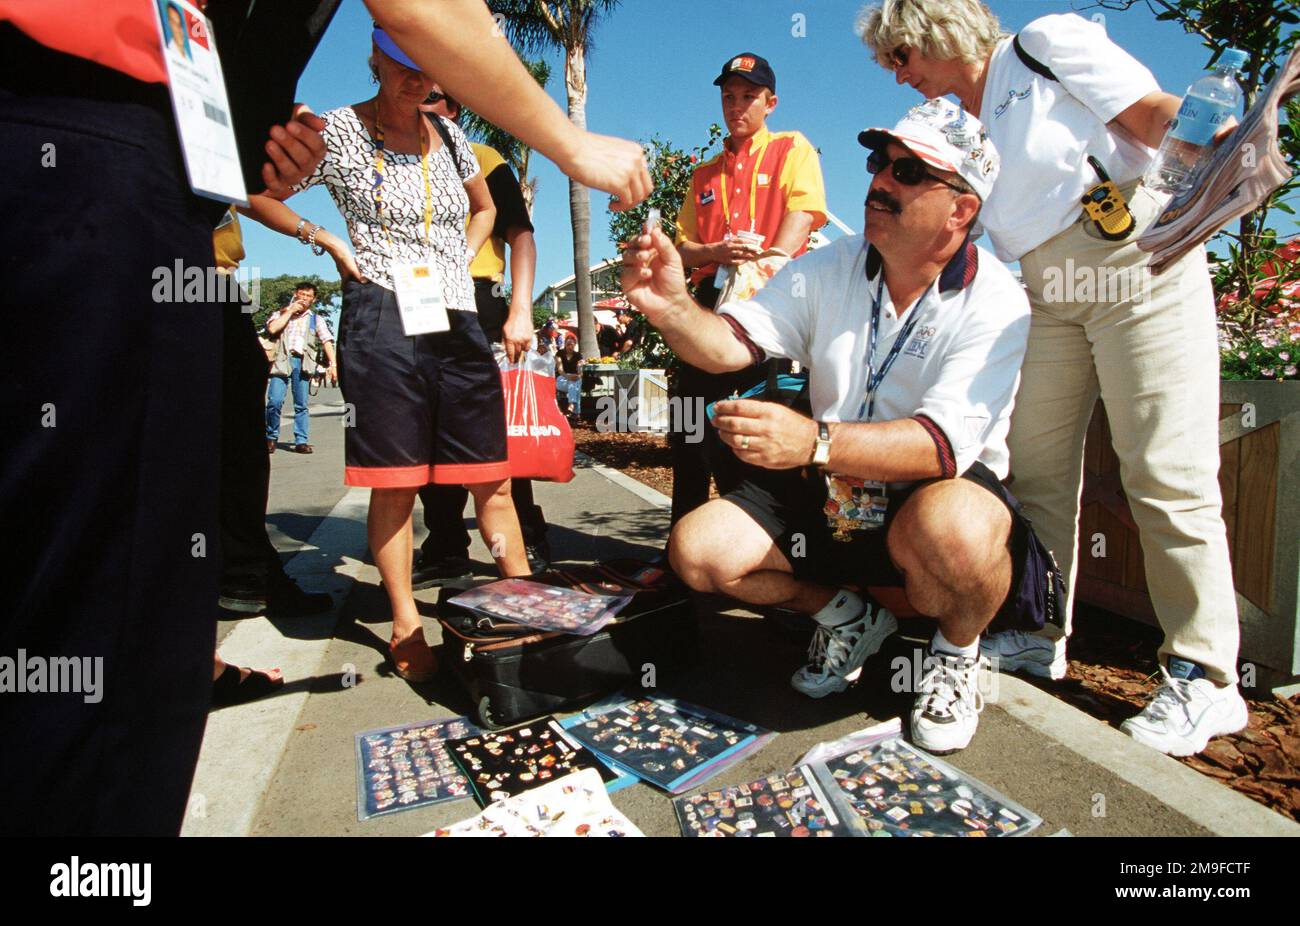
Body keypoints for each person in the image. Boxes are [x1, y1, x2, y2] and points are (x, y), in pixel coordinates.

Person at [857, 0, 1248, 756]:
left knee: (1165, 467)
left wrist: (1220, 141)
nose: (899, 75)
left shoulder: (1042, 43)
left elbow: (1158, 117)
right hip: (1043, 285)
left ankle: (1206, 676)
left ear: (939, 32)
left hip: (1132, 255)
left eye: (902, 55)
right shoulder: (962, 128)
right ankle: (1038, 632)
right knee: (1037, 467)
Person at [0, 0, 333, 835]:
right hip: (97, 154)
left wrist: (250, 141)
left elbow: (235, 158)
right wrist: (565, 136)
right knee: (118, 583)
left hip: (137, 176)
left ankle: (190, 636)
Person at [623, 100, 1042, 755]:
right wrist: (672, 309)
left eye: (908, 171)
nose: (879, 180)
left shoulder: (996, 298)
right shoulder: (832, 265)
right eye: (880, 162)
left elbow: (942, 445)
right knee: (699, 548)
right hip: (832, 481)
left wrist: (815, 441)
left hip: (929, 485)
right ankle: (847, 617)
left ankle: (956, 653)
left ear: (961, 209)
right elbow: (733, 343)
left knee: (957, 532)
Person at [242, 27, 531, 683]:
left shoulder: (452, 134)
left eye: (426, 66)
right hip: (382, 317)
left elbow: (483, 206)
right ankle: (404, 621)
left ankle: (526, 599)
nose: (416, 79)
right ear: (375, 58)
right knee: (397, 482)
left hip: (455, 316)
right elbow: (254, 192)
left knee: (491, 473)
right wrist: (324, 240)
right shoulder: (340, 130)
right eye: (401, 66)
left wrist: (460, 254)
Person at [670, 52, 828, 524]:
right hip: (711, 306)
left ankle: (772, 540)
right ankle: (682, 546)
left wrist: (767, 264)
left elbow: (804, 211)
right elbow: (682, 249)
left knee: (763, 418)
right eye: (728, 97)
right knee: (690, 427)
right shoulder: (704, 174)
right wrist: (716, 251)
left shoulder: (791, 148)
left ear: (770, 102)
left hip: (772, 305)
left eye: (749, 96)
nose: (737, 106)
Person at [413, 85, 552, 582]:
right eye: (418, 97)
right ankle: (446, 541)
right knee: (430, 430)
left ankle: (528, 539)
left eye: (436, 97)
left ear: (456, 107)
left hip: (478, 301)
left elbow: (521, 236)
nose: (424, 106)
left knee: (498, 432)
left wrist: (520, 310)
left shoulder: (484, 158)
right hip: (420, 299)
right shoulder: (400, 161)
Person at [264, 282, 337, 454]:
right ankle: (271, 437)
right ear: (295, 294)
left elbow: (327, 341)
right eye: (301, 294)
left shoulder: (315, 319)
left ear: (313, 299)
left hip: (303, 362)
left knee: (301, 404)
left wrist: (333, 364)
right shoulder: (280, 313)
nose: (304, 298)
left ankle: (301, 441)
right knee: (274, 401)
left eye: (308, 296)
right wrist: (289, 311)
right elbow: (272, 328)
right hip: (281, 360)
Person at [557, 334, 584, 418]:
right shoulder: (560, 353)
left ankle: (572, 409)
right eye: (568, 344)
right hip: (562, 379)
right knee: (575, 383)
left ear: (575, 345)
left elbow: (580, 372)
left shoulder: (578, 355)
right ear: (565, 344)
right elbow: (560, 370)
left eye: (571, 344)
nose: (569, 346)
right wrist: (568, 377)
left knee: (576, 381)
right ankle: (576, 410)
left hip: (573, 380)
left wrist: (579, 372)